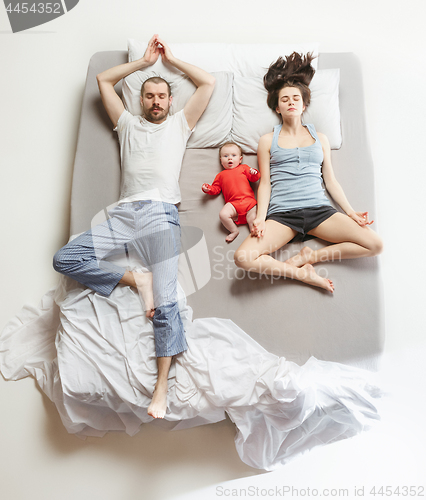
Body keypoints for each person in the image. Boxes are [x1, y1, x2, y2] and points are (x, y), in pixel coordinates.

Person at [52, 35, 215, 419]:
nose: (156, 101)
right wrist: (144, 63)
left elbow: (208, 83)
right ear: (140, 100)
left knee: (167, 300)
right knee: (65, 258)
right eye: (150, 96)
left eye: (162, 96)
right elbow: (104, 81)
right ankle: (133, 280)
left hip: (161, 214)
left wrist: (172, 61)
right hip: (123, 214)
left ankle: (161, 389)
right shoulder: (126, 123)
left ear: (170, 102)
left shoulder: (179, 124)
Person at [234, 52, 382, 292]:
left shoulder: (320, 138)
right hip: (282, 215)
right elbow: (265, 184)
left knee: (375, 244)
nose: (291, 101)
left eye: (295, 98)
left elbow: (330, 180)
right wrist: (261, 218)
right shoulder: (266, 140)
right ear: (277, 107)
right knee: (242, 257)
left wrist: (351, 212)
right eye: (284, 99)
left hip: (319, 211)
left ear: (304, 105)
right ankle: (301, 275)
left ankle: (309, 257)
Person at [202, 142, 260, 242]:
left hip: (249, 202)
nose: (230, 158)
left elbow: (254, 178)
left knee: (253, 220)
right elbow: (216, 189)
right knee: (223, 214)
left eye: (233, 155)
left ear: (240, 159)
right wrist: (208, 189)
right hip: (233, 204)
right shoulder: (220, 176)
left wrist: (254, 173)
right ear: (221, 161)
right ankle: (234, 231)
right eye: (226, 156)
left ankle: (254, 237)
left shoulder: (244, 168)